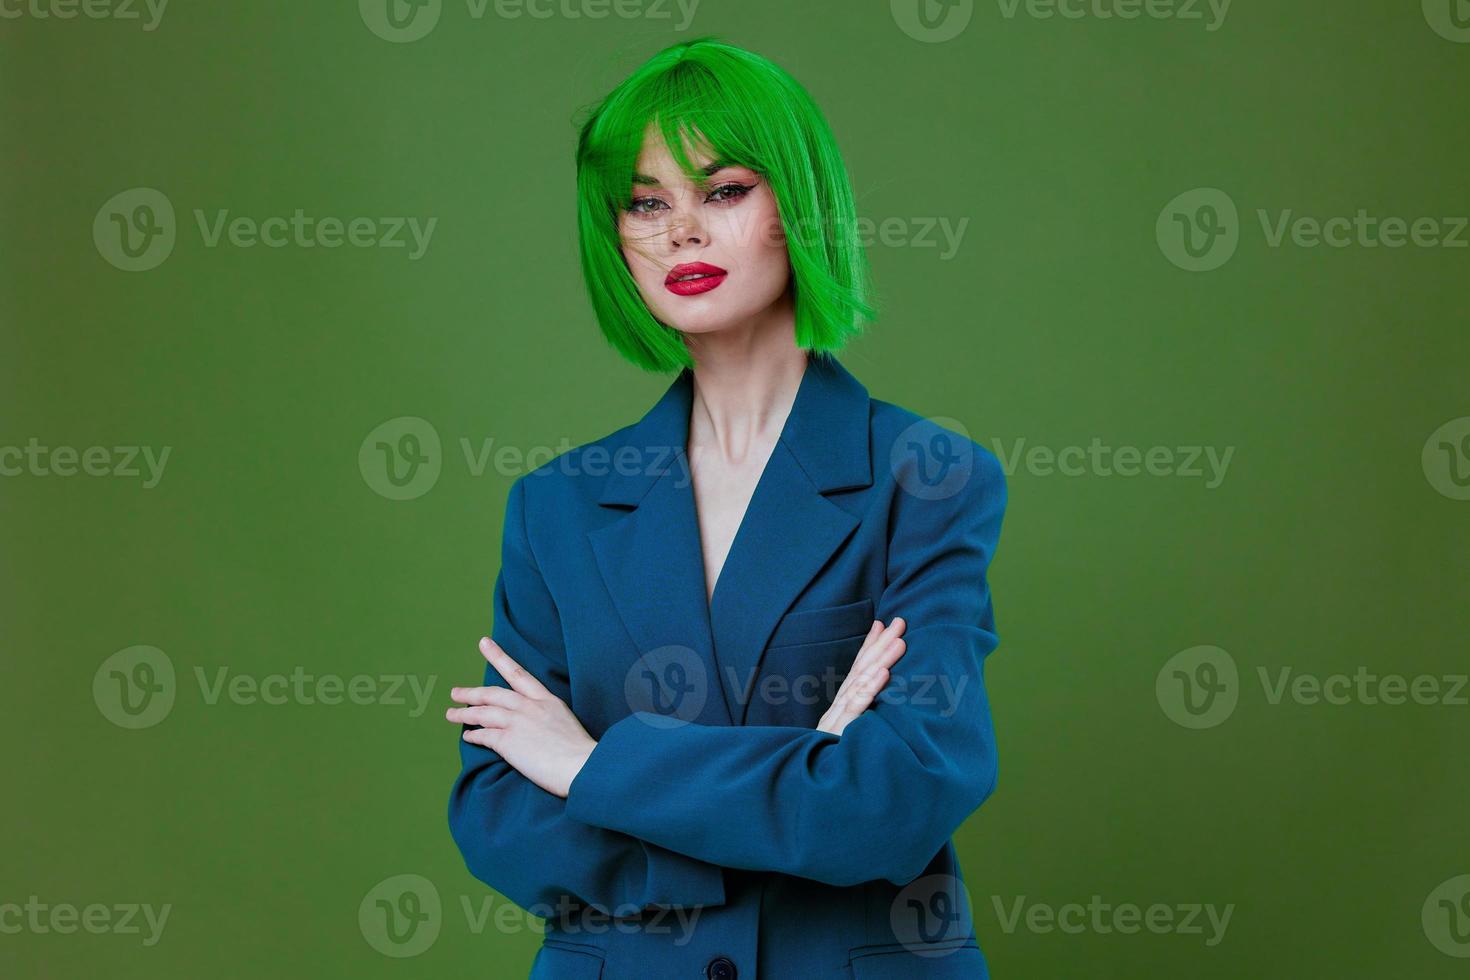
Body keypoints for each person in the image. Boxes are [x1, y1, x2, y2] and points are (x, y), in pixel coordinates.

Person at [446, 36, 1007, 980]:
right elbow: (501, 822)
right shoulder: (556, 506)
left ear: (800, 204)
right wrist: (804, 770)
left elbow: (898, 799)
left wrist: (591, 771)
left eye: (725, 190)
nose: (681, 233)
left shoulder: (927, 476)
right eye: (646, 202)